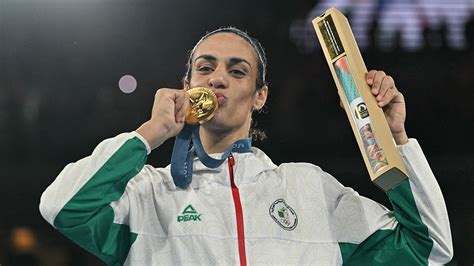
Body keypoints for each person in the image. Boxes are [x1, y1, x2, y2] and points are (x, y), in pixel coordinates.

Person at [39, 27, 453, 265]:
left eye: (237, 71)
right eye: (205, 68)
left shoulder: (309, 190)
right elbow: (63, 207)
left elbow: (429, 249)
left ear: (260, 96)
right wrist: (149, 133)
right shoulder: (148, 194)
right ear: (187, 87)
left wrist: (395, 139)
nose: (217, 79)